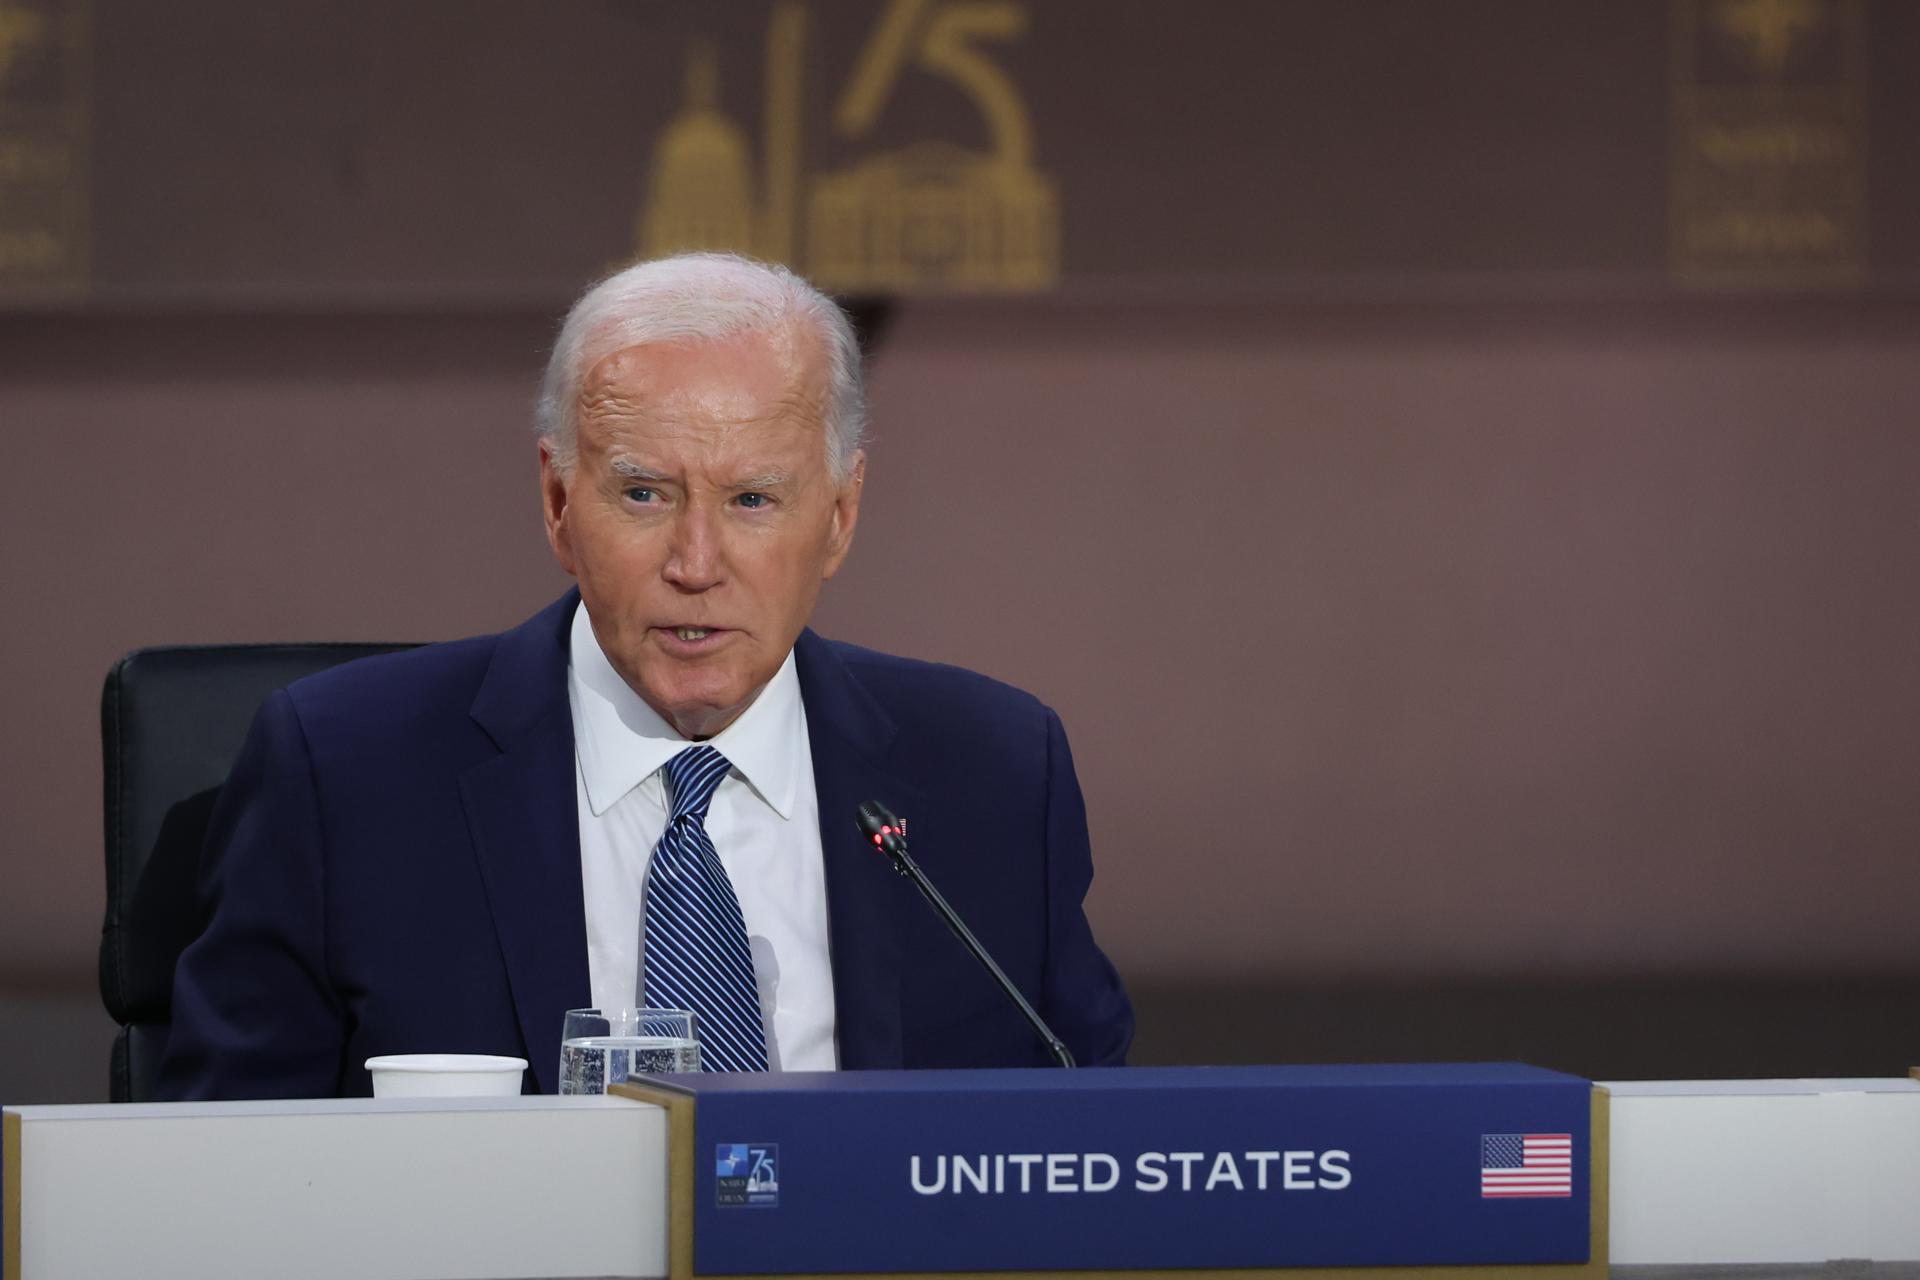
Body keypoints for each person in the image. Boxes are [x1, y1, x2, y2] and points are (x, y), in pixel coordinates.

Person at [157, 253, 1133, 1098]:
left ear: (839, 514)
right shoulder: (346, 775)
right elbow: (213, 1174)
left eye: (753, 497)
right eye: (643, 493)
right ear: (557, 501)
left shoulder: (994, 774)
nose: (696, 561)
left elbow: (1098, 1159)